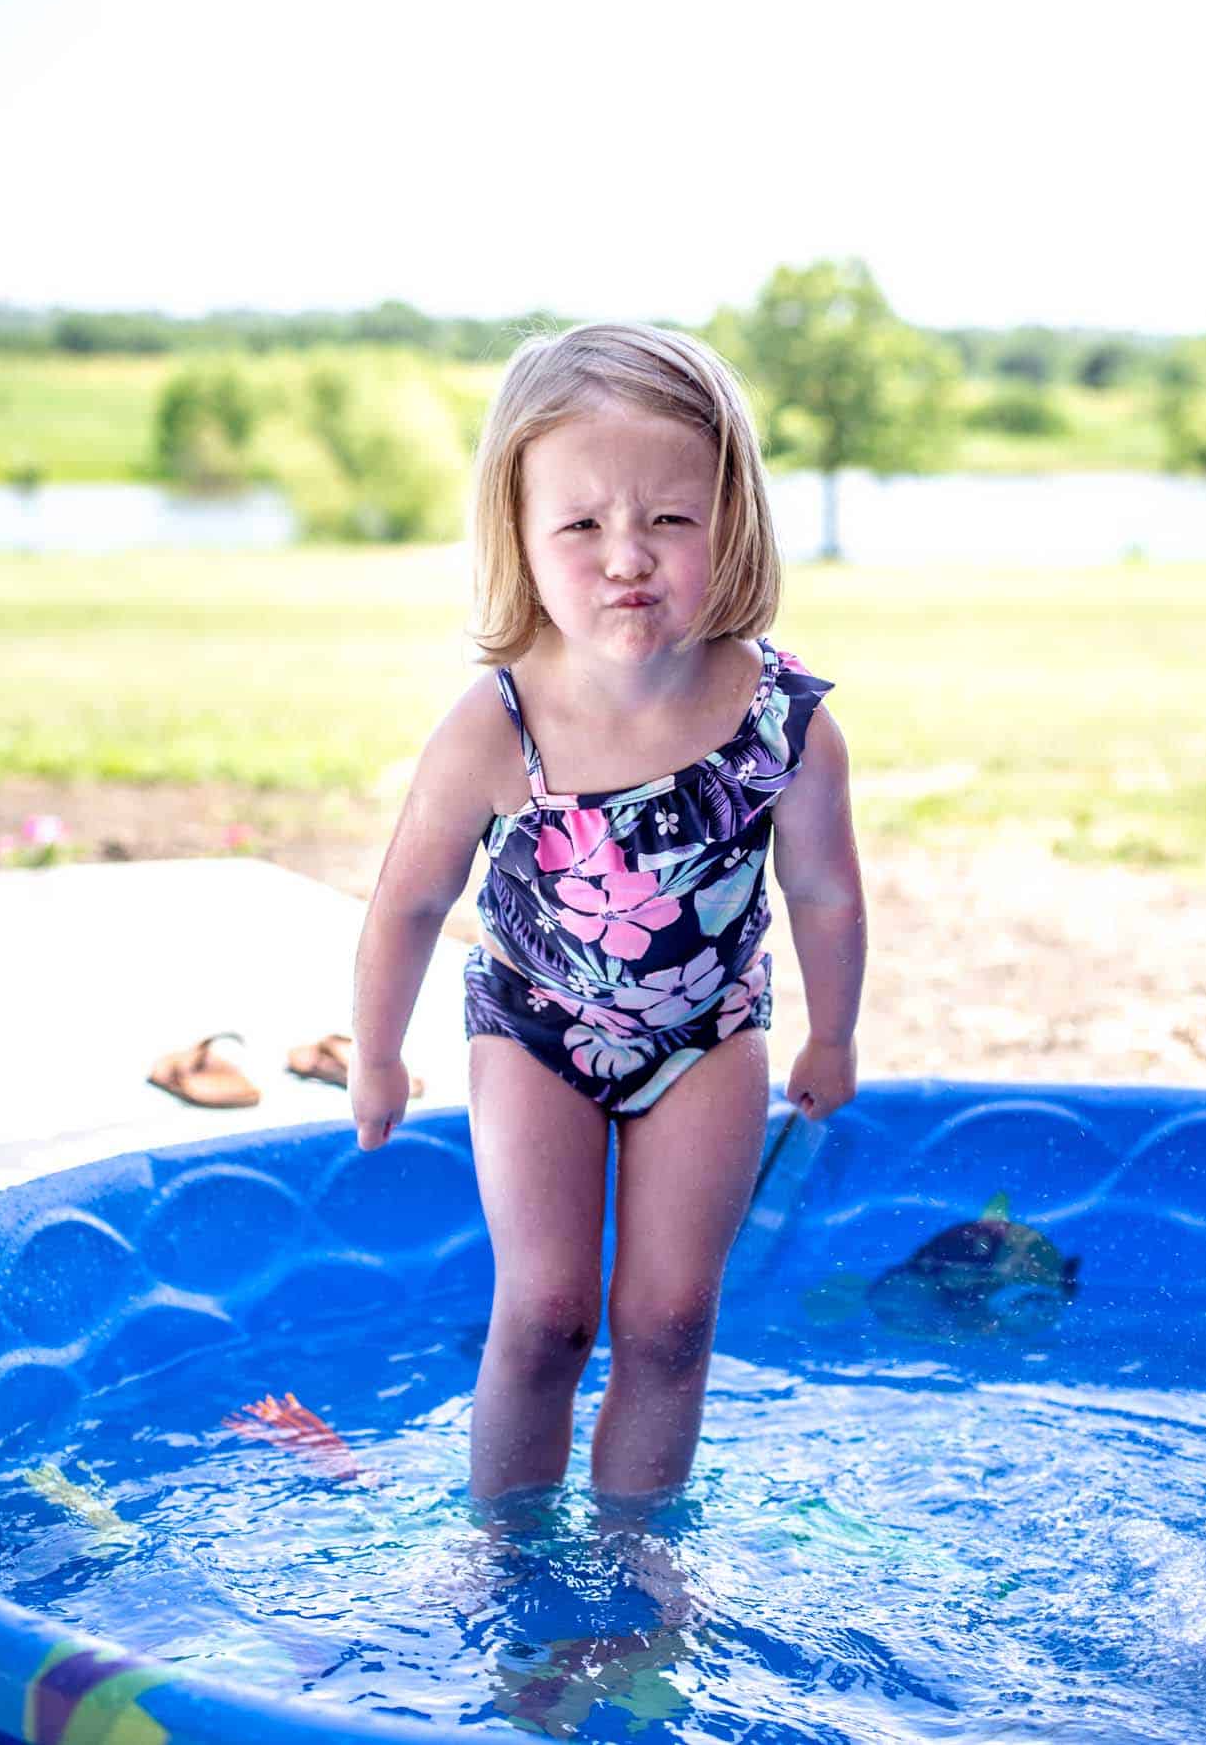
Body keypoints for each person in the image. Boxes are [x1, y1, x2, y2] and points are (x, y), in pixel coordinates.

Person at [349, 321, 867, 1515]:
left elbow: (825, 892)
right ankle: (508, 1549)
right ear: (520, 538)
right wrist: (376, 1051)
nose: (626, 556)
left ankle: (637, 1555)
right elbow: (411, 901)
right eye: (581, 525)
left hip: (709, 1036)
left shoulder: (783, 723)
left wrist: (830, 1035)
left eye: (669, 520)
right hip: (533, 1032)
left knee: (672, 1318)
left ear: (729, 522)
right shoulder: (497, 727)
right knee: (545, 1310)